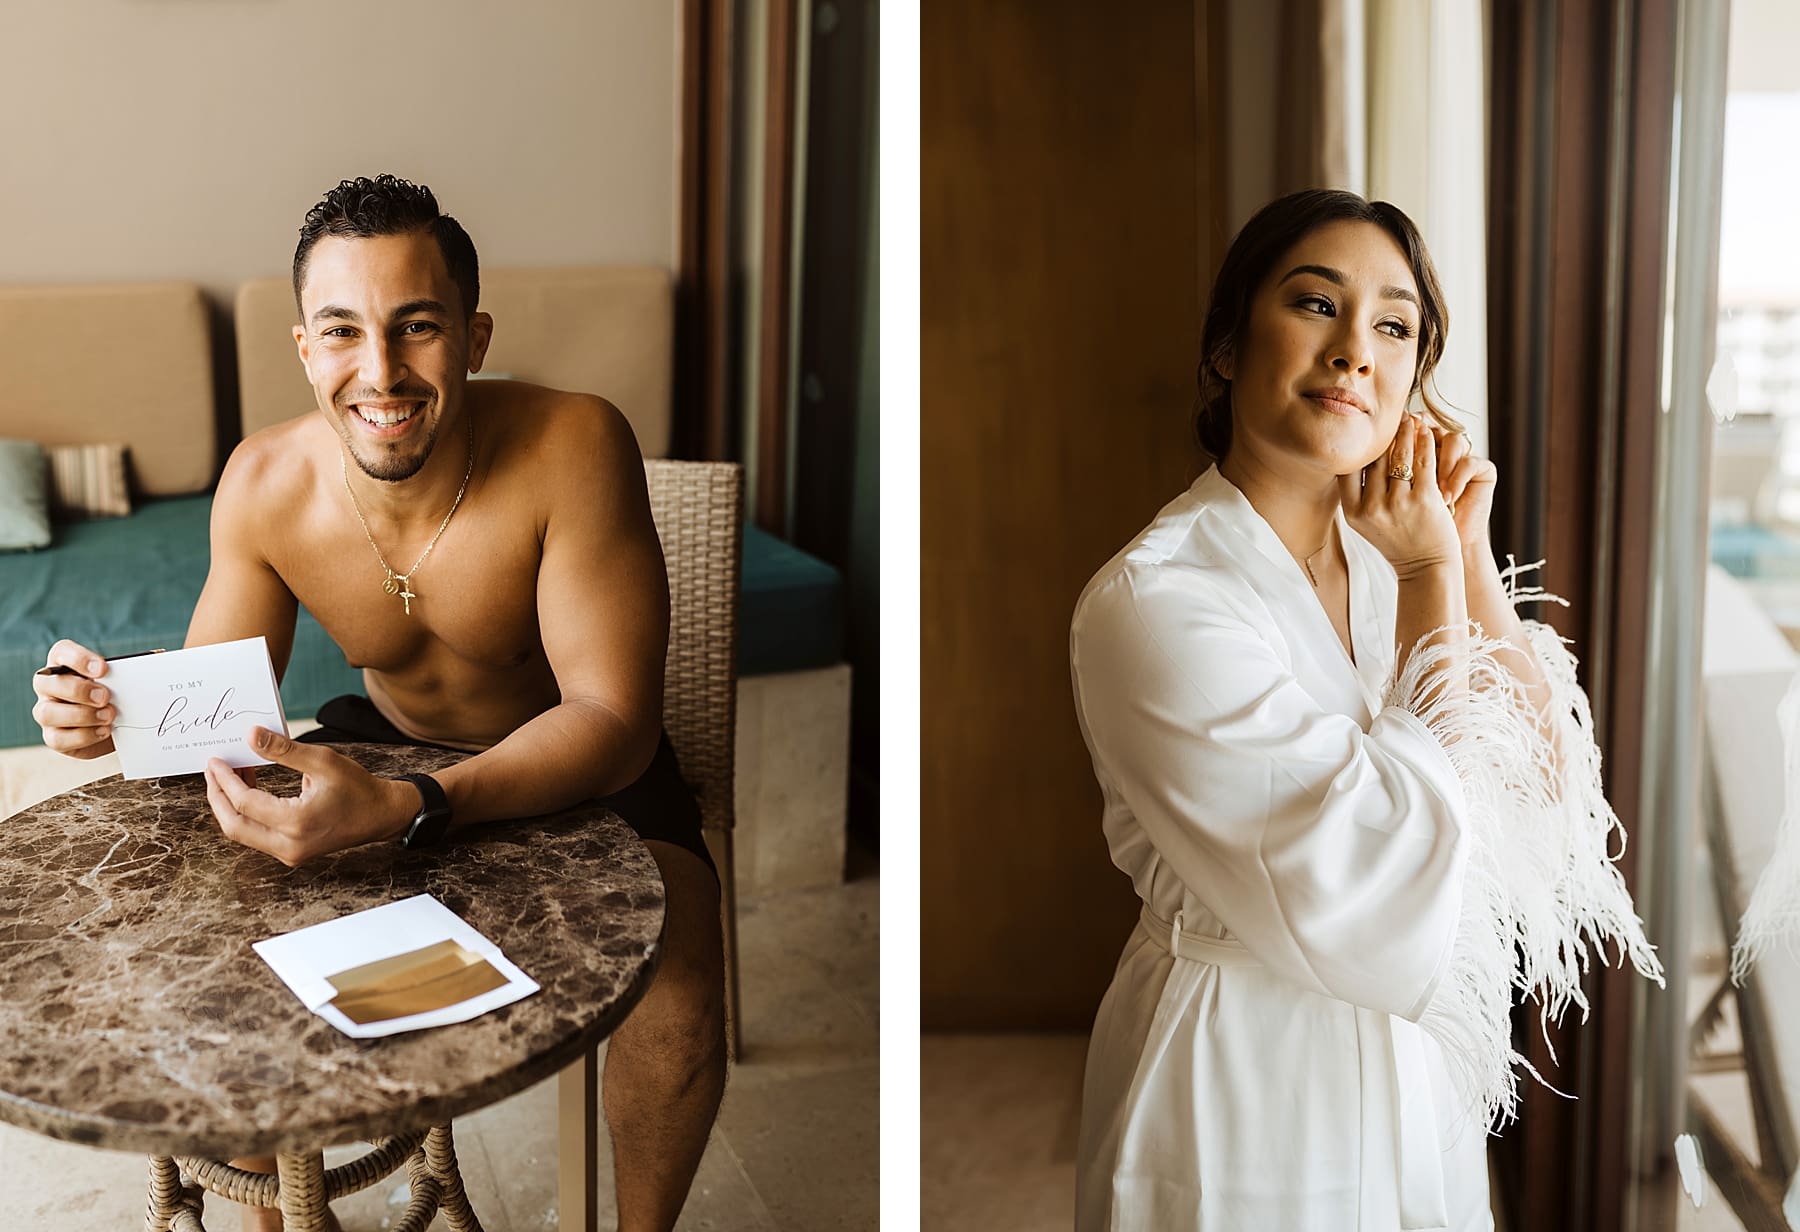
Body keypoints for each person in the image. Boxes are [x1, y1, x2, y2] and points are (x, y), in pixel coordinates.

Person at [28, 174, 725, 1232]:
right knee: (228, 942)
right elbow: (213, 711)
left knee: (681, 990)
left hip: (577, 765)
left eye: (418, 326)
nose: (382, 371)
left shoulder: (576, 443)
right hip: (390, 749)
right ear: (306, 348)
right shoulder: (265, 482)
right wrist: (107, 706)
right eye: (344, 331)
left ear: (474, 337)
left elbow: (614, 722)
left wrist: (419, 808)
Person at [1067, 188, 1664, 1230]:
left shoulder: (1393, 562)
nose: (1354, 351)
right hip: (1239, 1074)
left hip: (1412, 1081)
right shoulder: (1156, 602)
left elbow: (1542, 791)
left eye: (1394, 326)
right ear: (1226, 347)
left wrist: (1464, 553)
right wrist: (1432, 576)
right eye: (1316, 304)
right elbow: (1375, 866)